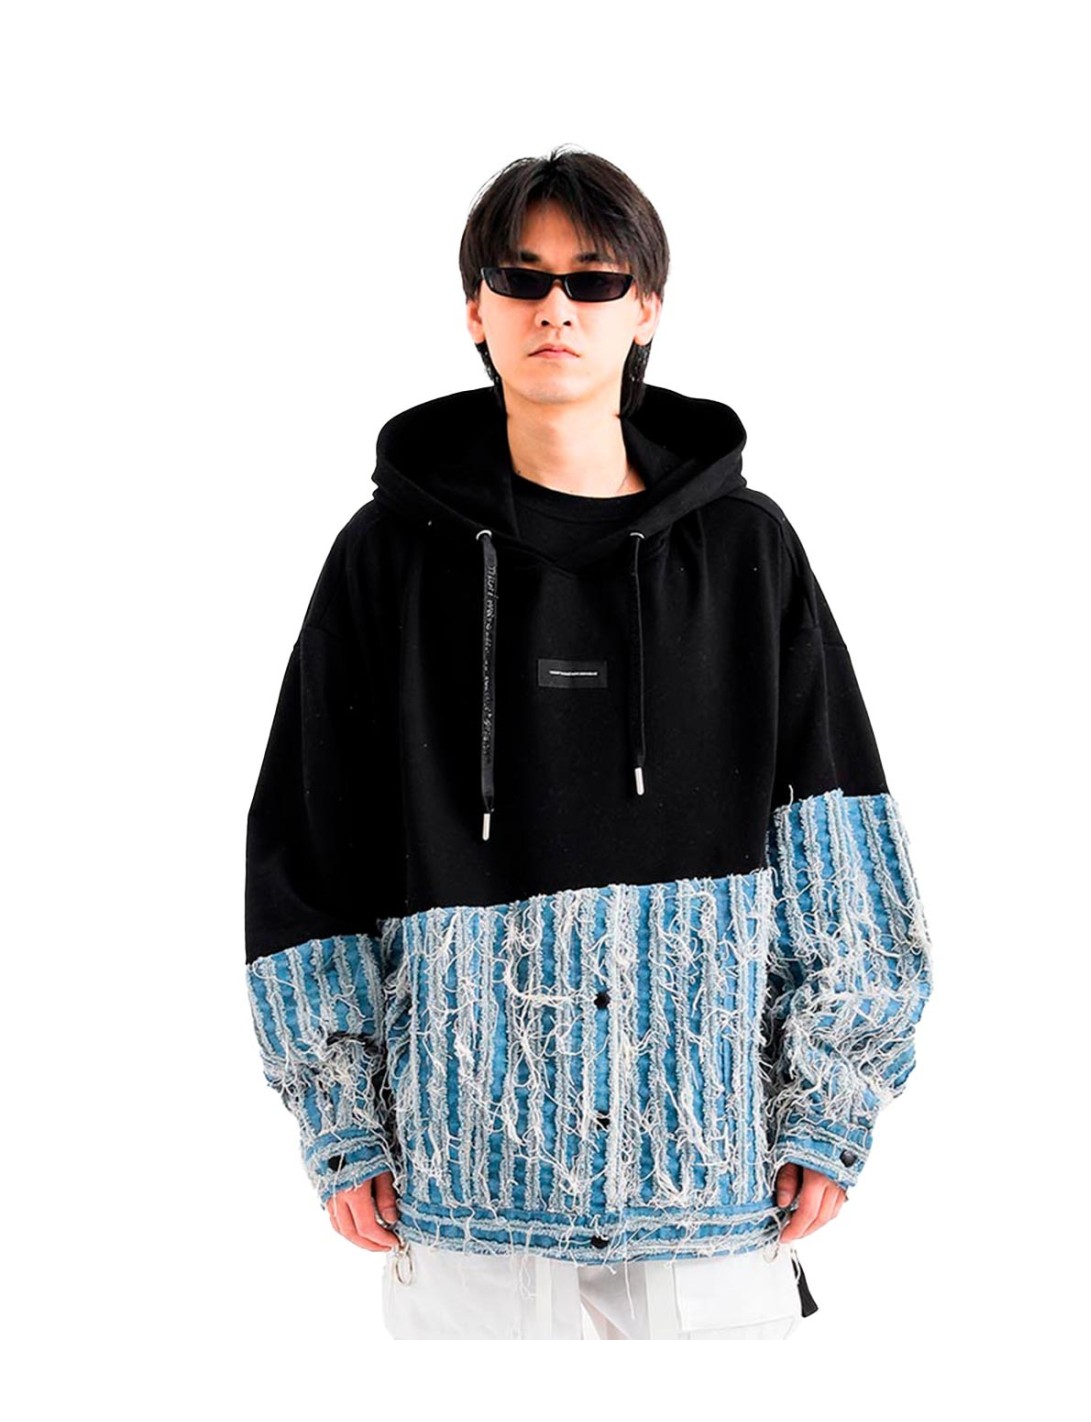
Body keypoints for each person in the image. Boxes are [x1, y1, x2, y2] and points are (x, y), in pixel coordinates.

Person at [244, 145, 934, 1341]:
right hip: (464, 1203)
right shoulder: (382, 559)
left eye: (593, 279)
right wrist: (338, 1113)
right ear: (475, 311)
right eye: (520, 278)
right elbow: (308, 847)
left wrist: (832, 1100)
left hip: (712, 1199)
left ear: (644, 308)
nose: (554, 306)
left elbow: (839, 841)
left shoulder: (745, 551)